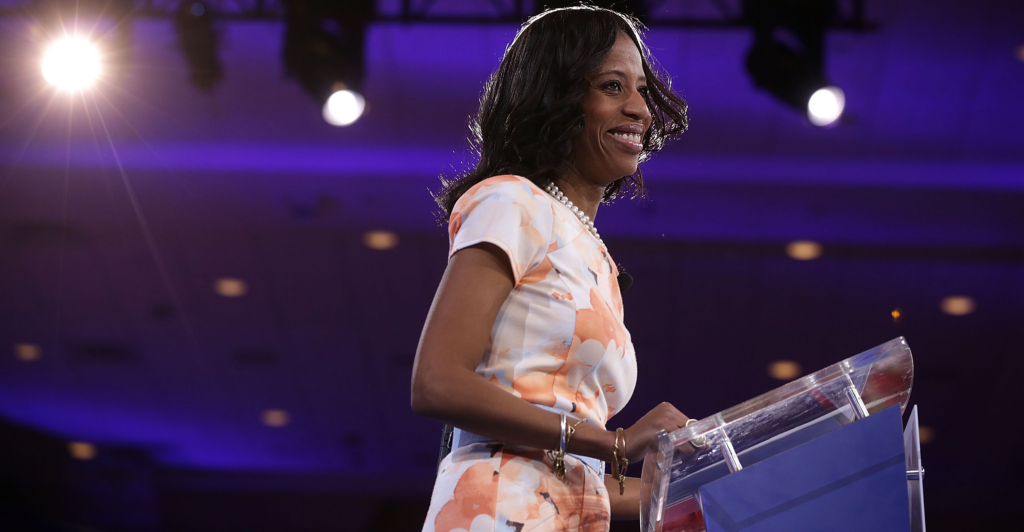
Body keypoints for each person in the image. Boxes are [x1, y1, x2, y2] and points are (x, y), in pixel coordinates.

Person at [411, 5, 689, 531]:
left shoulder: (597, 260)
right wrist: (616, 442)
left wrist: (680, 486)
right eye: (612, 86)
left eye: (642, 91)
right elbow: (436, 383)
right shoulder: (511, 202)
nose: (641, 110)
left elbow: (572, 468)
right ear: (557, 99)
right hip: (493, 511)